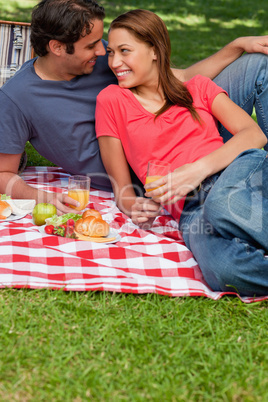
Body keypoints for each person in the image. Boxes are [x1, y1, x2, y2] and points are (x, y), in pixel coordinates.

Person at [0, 0, 268, 214]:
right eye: (92, 45)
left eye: (103, 44)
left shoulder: (103, 57)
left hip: (186, 137)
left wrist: (237, 45)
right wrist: (41, 197)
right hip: (151, 175)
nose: (105, 53)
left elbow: (180, 78)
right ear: (57, 47)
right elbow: (3, 173)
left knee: (257, 65)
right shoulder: (17, 99)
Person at [95, 9, 268, 297]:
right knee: (222, 270)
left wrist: (195, 170)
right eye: (111, 52)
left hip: (236, 172)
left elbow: (254, 134)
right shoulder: (111, 100)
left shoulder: (196, 86)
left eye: (125, 51)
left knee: (223, 204)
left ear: (154, 50)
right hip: (190, 209)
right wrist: (133, 206)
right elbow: (123, 190)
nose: (114, 62)